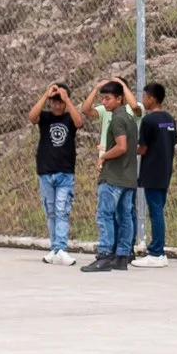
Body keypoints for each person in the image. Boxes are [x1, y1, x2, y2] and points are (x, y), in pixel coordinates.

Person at [81, 79, 141, 274]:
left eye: (108, 99)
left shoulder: (117, 119)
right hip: (129, 176)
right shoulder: (129, 119)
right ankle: (122, 256)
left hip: (114, 176)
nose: (105, 103)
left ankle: (105, 254)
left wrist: (103, 157)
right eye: (103, 99)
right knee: (125, 216)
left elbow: (121, 147)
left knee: (105, 214)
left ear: (119, 98)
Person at [28, 82, 82, 264]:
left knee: (62, 209)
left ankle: (62, 248)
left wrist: (67, 99)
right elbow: (32, 117)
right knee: (50, 211)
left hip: (65, 172)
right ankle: (54, 247)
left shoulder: (69, 118)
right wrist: (45, 95)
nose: (57, 105)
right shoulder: (44, 117)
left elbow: (79, 122)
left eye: (60, 102)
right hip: (46, 171)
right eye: (54, 101)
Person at [134, 81, 177, 268]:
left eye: (144, 97)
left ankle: (157, 252)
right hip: (165, 169)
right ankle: (157, 249)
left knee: (155, 211)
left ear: (151, 98)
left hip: (152, 170)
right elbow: (173, 143)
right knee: (158, 209)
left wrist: (128, 149)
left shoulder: (148, 120)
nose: (143, 100)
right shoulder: (169, 118)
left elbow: (143, 149)